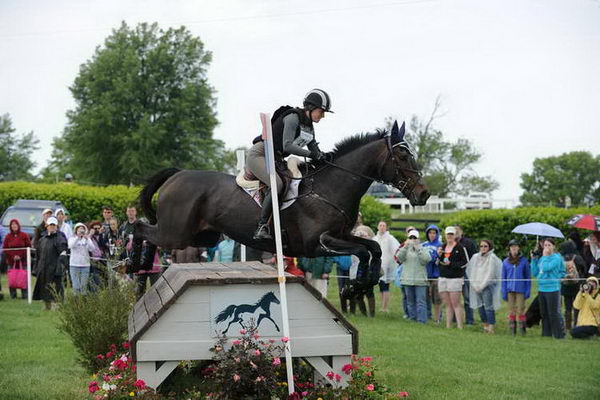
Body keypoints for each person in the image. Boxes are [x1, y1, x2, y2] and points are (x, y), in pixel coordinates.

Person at [248, 89, 333, 240]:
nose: (323, 116)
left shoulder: (309, 126)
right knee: (278, 185)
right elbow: (287, 146)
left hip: (277, 159)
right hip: (260, 154)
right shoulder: (293, 117)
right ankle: (262, 226)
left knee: (292, 185)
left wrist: (325, 157)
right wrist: (311, 154)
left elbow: (314, 149)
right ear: (311, 107)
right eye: (321, 111)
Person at [531, 238, 566, 339]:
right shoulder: (542, 258)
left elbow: (547, 268)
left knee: (553, 313)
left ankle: (559, 335)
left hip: (553, 289)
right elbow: (535, 272)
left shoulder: (556, 258)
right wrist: (534, 260)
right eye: (545, 245)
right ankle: (546, 334)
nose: (546, 247)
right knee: (544, 313)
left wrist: (545, 257)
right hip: (542, 288)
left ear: (553, 247)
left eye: (549, 245)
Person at [466, 240, 502, 334]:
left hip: (487, 286)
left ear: (489, 247)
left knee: (488, 307)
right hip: (476, 286)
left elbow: (490, 274)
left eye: (485, 246)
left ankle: (491, 326)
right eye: (481, 246)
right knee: (480, 307)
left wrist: (482, 286)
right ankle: (485, 325)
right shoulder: (475, 257)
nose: (483, 248)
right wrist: (474, 285)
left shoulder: (492, 258)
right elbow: (471, 271)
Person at [32, 217, 68, 310]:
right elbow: (38, 255)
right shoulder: (42, 240)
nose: (52, 227)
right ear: (46, 226)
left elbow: (63, 254)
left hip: (55, 269)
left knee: (55, 289)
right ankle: (46, 306)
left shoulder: (60, 239)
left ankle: (55, 307)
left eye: (53, 225)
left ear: (56, 226)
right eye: (50, 225)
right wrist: (36, 269)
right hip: (43, 269)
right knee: (44, 288)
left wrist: (60, 268)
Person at [396, 229, 431, 323]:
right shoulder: (405, 249)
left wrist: (418, 248)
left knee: (421, 302)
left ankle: (422, 320)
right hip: (407, 279)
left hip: (420, 280)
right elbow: (399, 258)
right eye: (411, 237)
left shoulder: (423, 248)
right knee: (410, 301)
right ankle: (412, 318)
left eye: (414, 238)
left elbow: (426, 259)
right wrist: (405, 247)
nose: (413, 239)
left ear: (418, 239)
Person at [437, 226, 468, 329]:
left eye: (451, 234)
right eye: (448, 234)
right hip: (443, 277)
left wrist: (452, 264)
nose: (449, 236)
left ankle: (460, 326)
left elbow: (465, 263)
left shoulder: (460, 247)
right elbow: (438, 262)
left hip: (455, 278)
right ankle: (448, 326)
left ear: (455, 235)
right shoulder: (442, 247)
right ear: (445, 236)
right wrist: (439, 256)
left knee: (456, 303)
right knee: (447, 304)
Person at [501, 239, 531, 335]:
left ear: (519, 248)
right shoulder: (505, 262)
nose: (514, 248)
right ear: (509, 249)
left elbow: (527, 277)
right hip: (510, 289)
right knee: (511, 310)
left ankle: (522, 329)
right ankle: (512, 329)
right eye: (512, 247)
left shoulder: (524, 261)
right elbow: (503, 278)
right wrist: (504, 290)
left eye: (515, 246)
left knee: (521, 309)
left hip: (520, 289)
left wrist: (527, 290)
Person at [372, 221, 400, 313]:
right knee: (380, 286)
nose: (382, 227)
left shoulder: (390, 238)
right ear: (378, 227)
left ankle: (385, 307)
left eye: (384, 226)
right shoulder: (375, 239)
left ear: (386, 227)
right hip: (378, 266)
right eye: (380, 225)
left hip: (387, 266)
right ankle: (382, 305)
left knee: (385, 286)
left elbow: (395, 251)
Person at [3, 219, 32, 299]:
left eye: (15, 224)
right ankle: (13, 295)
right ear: (10, 226)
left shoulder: (24, 235)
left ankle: (25, 296)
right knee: (12, 278)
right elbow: (5, 248)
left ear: (18, 225)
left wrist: (20, 256)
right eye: (12, 224)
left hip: (23, 261)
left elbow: (28, 246)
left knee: (23, 278)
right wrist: (13, 257)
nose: (14, 226)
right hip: (11, 262)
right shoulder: (8, 236)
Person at [454, 225, 477, 325]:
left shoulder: (468, 242)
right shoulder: (450, 244)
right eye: (454, 231)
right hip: (454, 274)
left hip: (467, 274)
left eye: (457, 231)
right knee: (454, 298)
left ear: (461, 232)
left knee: (467, 298)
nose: (455, 233)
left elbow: (475, 258)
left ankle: (469, 320)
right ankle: (455, 319)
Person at [67, 223, 97, 295]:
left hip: (85, 265)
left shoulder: (86, 239)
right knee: (76, 286)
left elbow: (92, 249)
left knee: (83, 287)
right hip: (74, 265)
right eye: (79, 230)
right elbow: (70, 246)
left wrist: (87, 239)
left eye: (82, 230)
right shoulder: (72, 238)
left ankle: (83, 303)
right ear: (76, 231)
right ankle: (76, 303)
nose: (81, 232)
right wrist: (78, 237)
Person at [422, 225, 442, 322]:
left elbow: (437, 259)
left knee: (437, 298)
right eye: (430, 233)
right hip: (425, 274)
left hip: (436, 276)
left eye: (434, 233)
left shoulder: (440, 245)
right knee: (425, 297)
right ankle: (427, 315)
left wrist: (434, 256)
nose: (432, 235)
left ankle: (437, 318)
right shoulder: (424, 245)